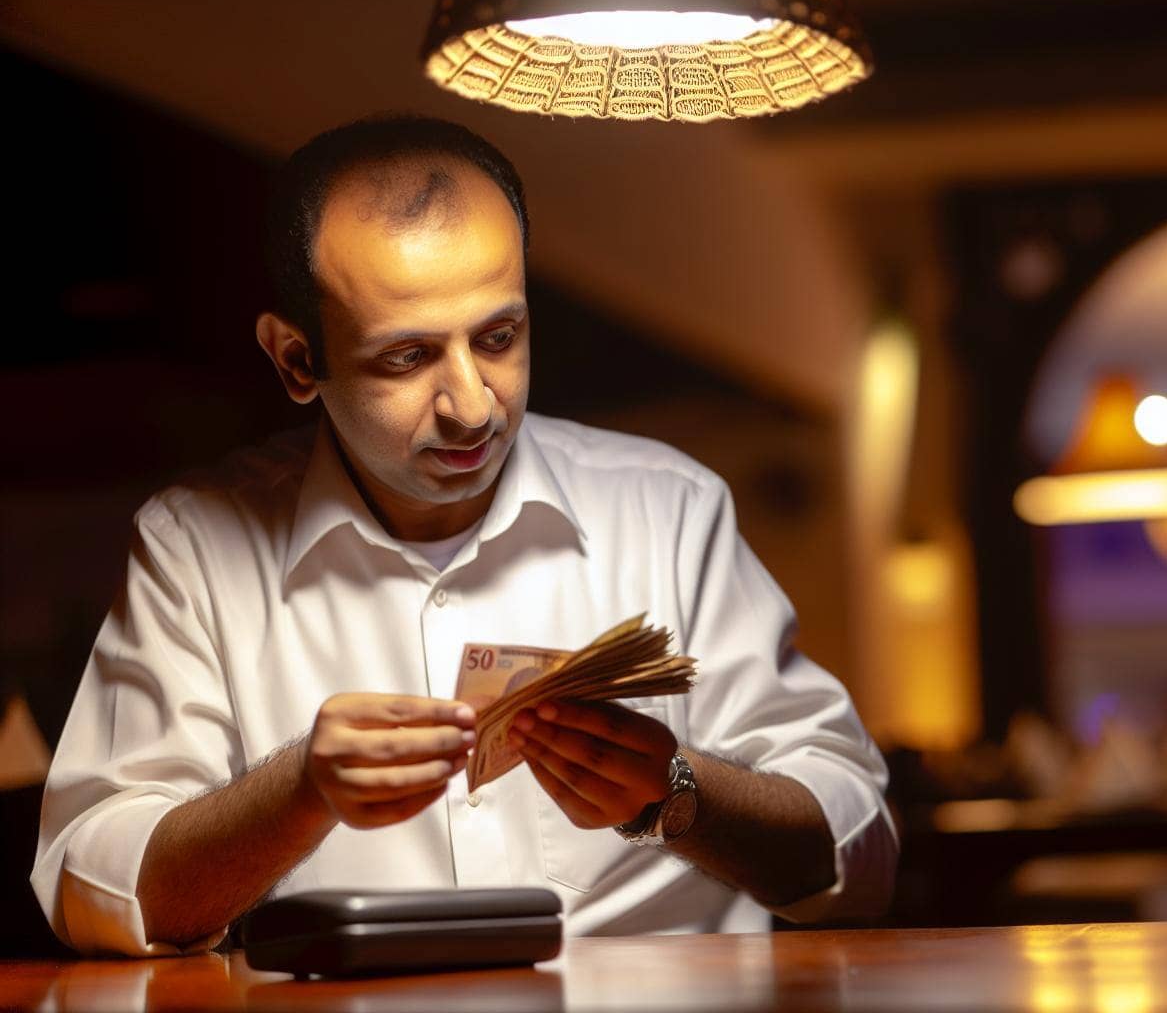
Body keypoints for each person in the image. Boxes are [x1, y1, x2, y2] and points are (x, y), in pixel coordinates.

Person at [32, 116, 897, 956]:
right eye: (406, 358)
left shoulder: (670, 509)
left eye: (499, 337)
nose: (474, 406)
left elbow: (857, 854)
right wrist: (296, 794)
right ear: (297, 361)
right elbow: (90, 891)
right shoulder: (193, 547)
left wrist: (678, 793)